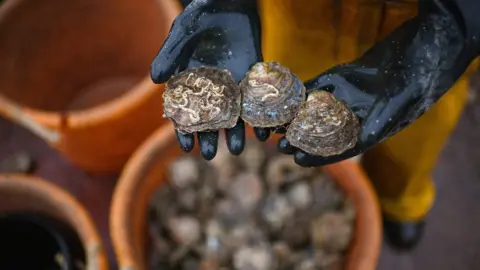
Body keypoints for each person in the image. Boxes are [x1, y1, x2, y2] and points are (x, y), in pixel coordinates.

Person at [151, 0, 480, 251]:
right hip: (301, 14)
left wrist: (458, 23)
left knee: (413, 136)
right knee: (295, 93)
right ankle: (308, 175)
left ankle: (401, 204)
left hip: (418, 21)